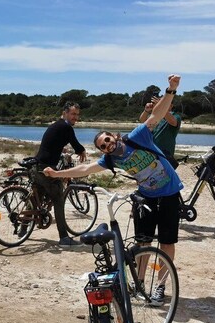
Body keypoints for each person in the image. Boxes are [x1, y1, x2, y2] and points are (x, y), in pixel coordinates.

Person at [44, 74, 184, 304]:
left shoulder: (137, 136)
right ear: (103, 151)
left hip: (169, 193)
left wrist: (171, 90)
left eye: (108, 140)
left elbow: (157, 115)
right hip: (146, 197)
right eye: (103, 146)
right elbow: (85, 169)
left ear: (115, 136)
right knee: (143, 243)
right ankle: (139, 284)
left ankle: (160, 286)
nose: (108, 145)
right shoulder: (110, 160)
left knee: (167, 243)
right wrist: (58, 174)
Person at [33, 101, 88, 248]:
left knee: (35, 196)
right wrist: (81, 151)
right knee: (58, 199)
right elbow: (75, 143)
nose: (75, 117)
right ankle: (64, 237)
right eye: (73, 114)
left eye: (77, 114)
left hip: (37, 165)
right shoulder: (66, 127)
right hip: (47, 168)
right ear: (64, 113)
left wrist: (62, 151)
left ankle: (23, 228)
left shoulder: (56, 125)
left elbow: (54, 143)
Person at [139, 96, 182, 166]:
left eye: (164, 103)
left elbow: (173, 122)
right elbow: (142, 120)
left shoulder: (176, 116)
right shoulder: (156, 116)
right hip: (152, 151)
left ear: (171, 106)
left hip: (166, 152)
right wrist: (146, 110)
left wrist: (162, 107)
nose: (161, 104)